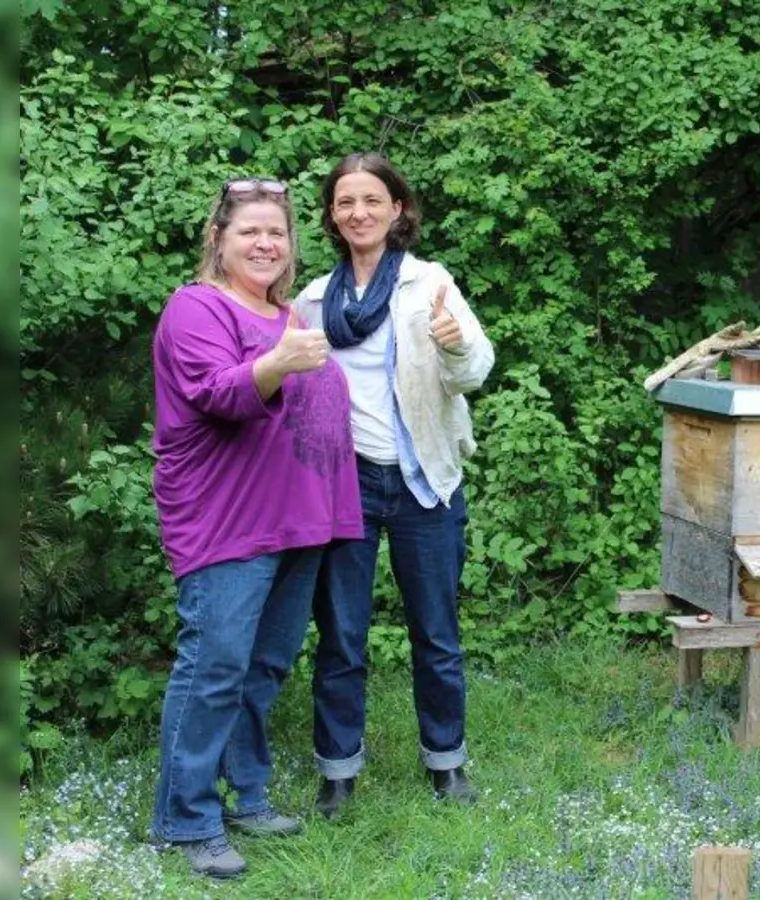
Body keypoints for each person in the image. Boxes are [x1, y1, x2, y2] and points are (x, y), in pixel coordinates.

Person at [149, 178, 362, 878]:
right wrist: (276, 363)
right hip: (226, 524)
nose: (267, 243)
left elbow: (318, 425)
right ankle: (185, 820)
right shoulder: (196, 308)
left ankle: (246, 795)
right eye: (250, 232)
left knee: (261, 669)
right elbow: (217, 394)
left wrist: (335, 518)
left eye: (277, 232)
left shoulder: (285, 315)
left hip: (298, 525)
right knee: (213, 669)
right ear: (218, 240)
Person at [292, 153, 494, 816]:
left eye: (372, 200)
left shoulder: (428, 283)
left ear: (397, 209)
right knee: (342, 634)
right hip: (344, 483)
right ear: (331, 215)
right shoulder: (314, 301)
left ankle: (446, 761)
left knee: (434, 629)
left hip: (422, 483)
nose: (359, 212)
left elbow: (476, 371)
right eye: (345, 202)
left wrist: (456, 342)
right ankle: (339, 771)